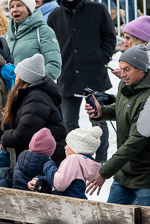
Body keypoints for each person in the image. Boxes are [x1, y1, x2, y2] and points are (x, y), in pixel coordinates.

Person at [47, 0, 116, 164]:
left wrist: (102, 58)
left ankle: (101, 161)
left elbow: (110, 37)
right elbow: (51, 45)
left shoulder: (98, 9)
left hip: (94, 75)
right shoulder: (55, 16)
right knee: (69, 122)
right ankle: (78, 159)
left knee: (98, 119)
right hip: (67, 77)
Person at [86, 46, 150, 206]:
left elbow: (134, 143)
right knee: (112, 222)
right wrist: (101, 112)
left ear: (141, 70)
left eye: (127, 69)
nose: (122, 74)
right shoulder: (126, 86)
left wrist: (104, 172)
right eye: (121, 68)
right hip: (123, 173)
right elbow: (122, 109)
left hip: (146, 178)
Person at [30, 127, 102, 198]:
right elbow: (63, 179)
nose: (65, 147)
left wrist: (48, 166)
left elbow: (59, 184)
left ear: (76, 148)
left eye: (68, 145)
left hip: (66, 202)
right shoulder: (81, 162)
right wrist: (38, 179)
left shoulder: (73, 159)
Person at [6, 0, 62, 81]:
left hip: (33, 91)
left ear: (29, 8)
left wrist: (32, 85)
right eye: (11, 7)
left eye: (19, 5)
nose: (14, 9)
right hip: (12, 92)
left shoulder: (43, 31)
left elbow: (54, 66)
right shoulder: (8, 35)